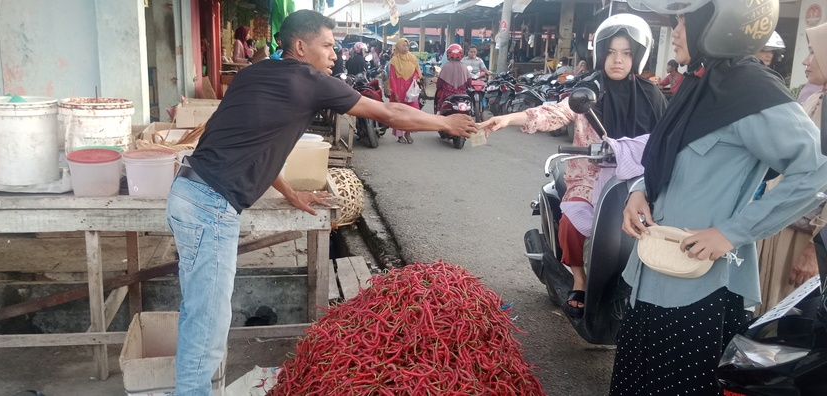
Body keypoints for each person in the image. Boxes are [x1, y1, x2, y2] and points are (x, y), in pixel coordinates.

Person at [168, 10, 476, 394]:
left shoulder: (251, 74)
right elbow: (389, 112)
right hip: (209, 207)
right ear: (300, 46)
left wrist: (292, 193)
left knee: (201, 311)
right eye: (328, 46)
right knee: (208, 322)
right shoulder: (310, 81)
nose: (334, 54)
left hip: (188, 194)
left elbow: (257, 146)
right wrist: (445, 123)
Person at [616, 1, 827, 394]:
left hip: (699, 287)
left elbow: (816, 168)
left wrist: (731, 232)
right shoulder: (698, 81)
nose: (676, 32)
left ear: (717, 24)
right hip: (652, 267)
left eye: (683, 21)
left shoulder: (751, 89)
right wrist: (638, 190)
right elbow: (664, 157)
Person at [480, 14, 667, 316]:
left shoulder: (652, 95)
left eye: (626, 53)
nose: (617, 60)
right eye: (611, 52)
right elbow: (553, 112)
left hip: (638, 182)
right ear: (601, 53)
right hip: (590, 177)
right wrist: (509, 119)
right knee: (571, 224)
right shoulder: (587, 90)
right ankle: (579, 279)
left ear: (638, 56)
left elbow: (668, 137)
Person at [754, 21, 827, 316]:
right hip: (781, 223)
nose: (805, 61)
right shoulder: (813, 98)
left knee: (786, 324)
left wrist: (816, 249)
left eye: (814, 52)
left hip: (808, 239)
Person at [388, 38, 422, 144]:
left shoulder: (412, 58)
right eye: (403, 46)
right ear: (398, 47)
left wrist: (415, 77)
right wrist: (395, 92)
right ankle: (399, 135)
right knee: (399, 113)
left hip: (410, 89)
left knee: (411, 112)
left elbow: (418, 72)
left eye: (407, 46)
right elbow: (392, 77)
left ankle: (408, 132)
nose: (405, 48)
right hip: (399, 88)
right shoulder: (394, 60)